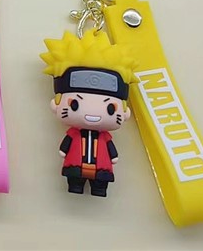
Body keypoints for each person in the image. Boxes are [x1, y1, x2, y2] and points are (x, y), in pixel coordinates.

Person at [40, 29, 137, 197]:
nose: (93, 113)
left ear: (125, 112)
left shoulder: (104, 136)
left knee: (100, 182)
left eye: (110, 109)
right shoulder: (74, 133)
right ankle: (75, 186)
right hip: (75, 165)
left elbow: (110, 149)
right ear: (56, 104)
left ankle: (99, 189)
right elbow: (66, 144)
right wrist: (64, 150)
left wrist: (113, 156)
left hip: (101, 167)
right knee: (74, 180)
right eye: (75, 104)